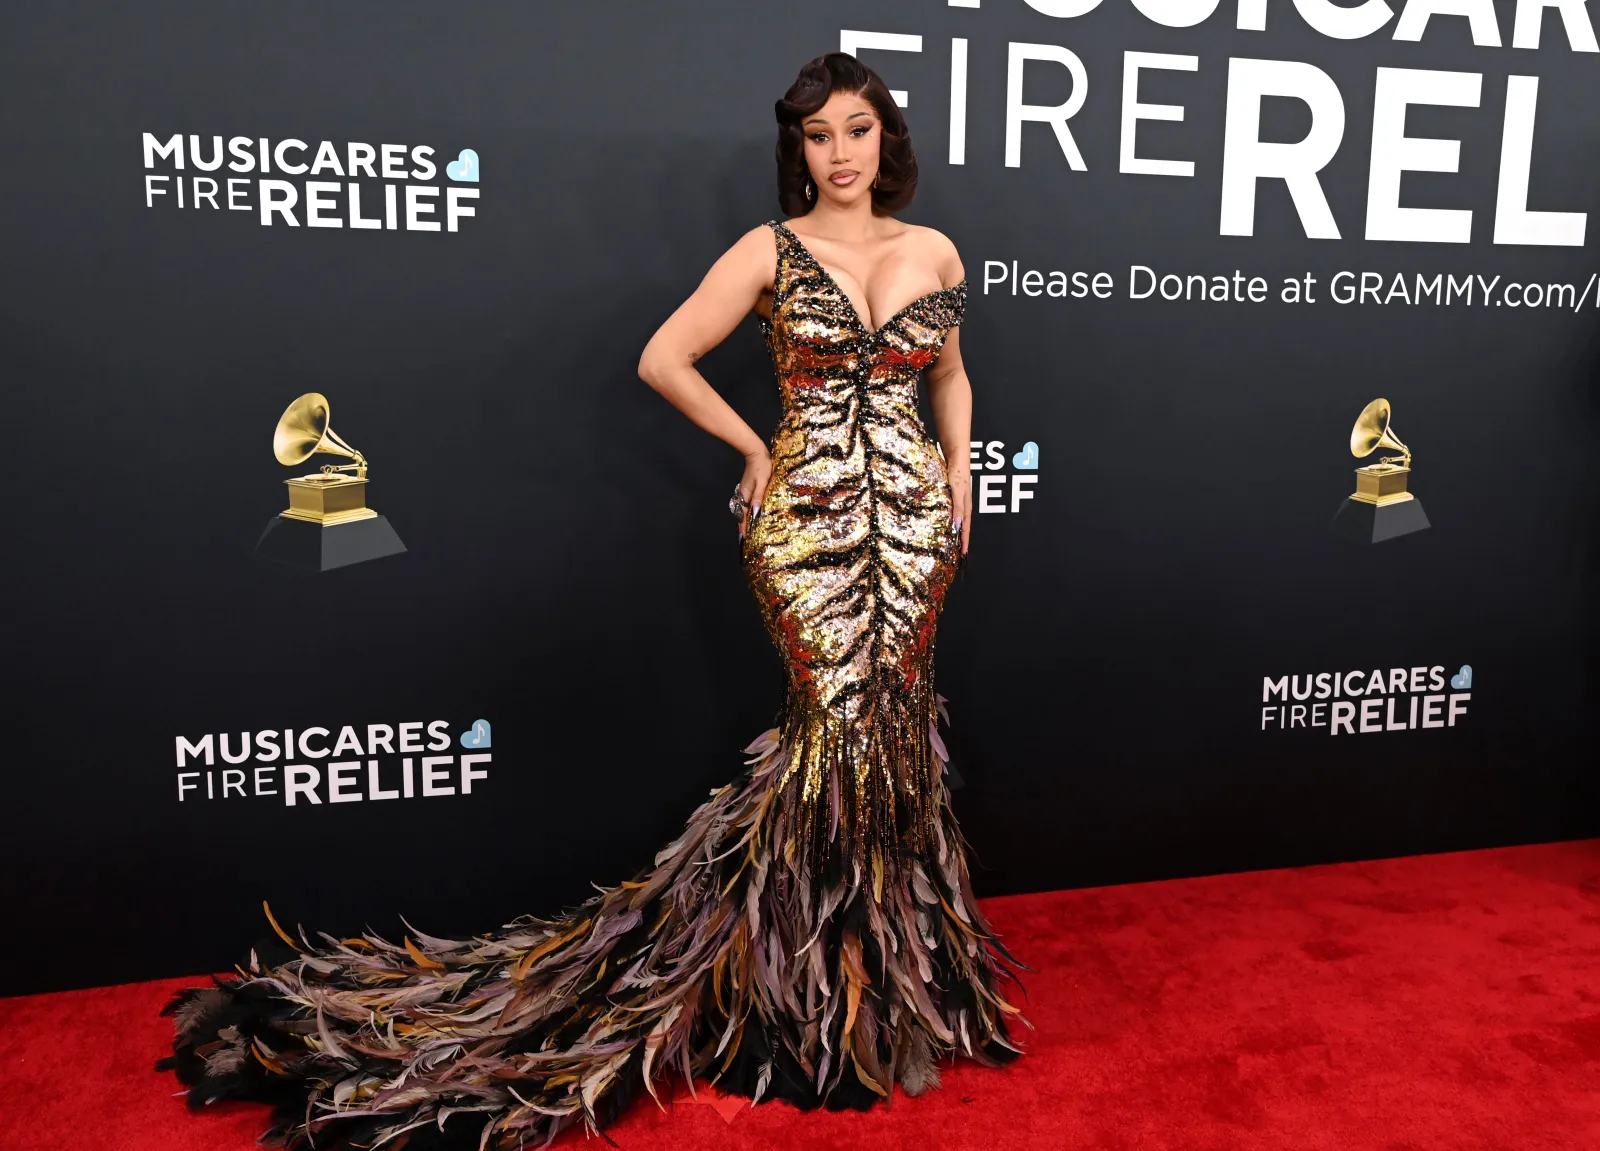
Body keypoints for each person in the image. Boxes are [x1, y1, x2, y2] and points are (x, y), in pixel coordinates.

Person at [159, 51, 1024, 1151]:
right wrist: (755, 445)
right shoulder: (769, 250)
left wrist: (959, 471)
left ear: (883, 139)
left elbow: (946, 368)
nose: (839, 153)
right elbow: (664, 357)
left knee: (893, 729)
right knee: (833, 732)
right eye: (817, 136)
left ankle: (887, 983)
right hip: (805, 524)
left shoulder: (932, 249)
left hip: (910, 527)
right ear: (796, 150)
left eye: (856, 130)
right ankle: (789, 997)